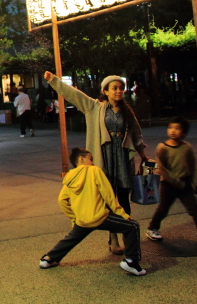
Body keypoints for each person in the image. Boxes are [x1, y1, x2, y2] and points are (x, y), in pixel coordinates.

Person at [43, 71, 147, 255]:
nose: (118, 91)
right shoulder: (94, 107)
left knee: (123, 199)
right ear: (105, 91)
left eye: (121, 88)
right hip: (103, 158)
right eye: (114, 88)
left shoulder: (127, 111)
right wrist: (54, 81)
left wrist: (144, 156)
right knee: (107, 199)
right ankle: (113, 239)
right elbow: (74, 94)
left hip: (122, 158)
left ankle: (126, 235)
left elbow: (137, 135)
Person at [39, 147, 146, 276]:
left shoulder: (70, 177)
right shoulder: (94, 171)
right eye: (91, 159)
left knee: (71, 239)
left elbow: (62, 200)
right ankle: (131, 261)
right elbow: (109, 195)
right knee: (132, 226)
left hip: (83, 219)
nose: (93, 162)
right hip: (99, 217)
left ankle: (49, 259)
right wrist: (122, 213)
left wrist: (74, 218)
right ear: (81, 159)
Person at [146, 117, 197, 246]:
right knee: (163, 209)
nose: (173, 131)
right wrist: (174, 182)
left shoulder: (186, 147)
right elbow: (161, 169)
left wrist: (195, 183)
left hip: (185, 184)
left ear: (184, 132)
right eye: (170, 127)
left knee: (195, 210)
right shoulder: (162, 147)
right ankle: (152, 228)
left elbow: (192, 166)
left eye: (177, 128)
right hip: (168, 185)